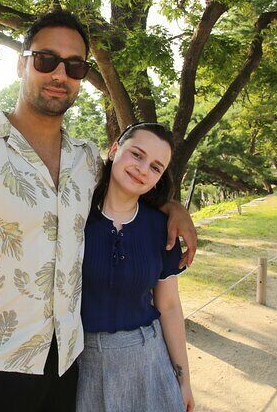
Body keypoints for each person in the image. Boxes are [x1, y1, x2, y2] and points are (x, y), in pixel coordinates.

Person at [0, 10, 197, 412]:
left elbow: (132, 183)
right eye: (46, 60)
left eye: (74, 65)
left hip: (68, 368)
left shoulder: (86, 161)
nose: (60, 74)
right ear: (21, 63)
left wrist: (173, 207)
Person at [77, 122, 194, 412]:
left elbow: (169, 306)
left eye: (156, 167)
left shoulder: (162, 228)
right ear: (114, 149)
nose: (143, 169)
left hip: (149, 360)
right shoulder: (75, 217)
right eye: (137, 155)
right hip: (83, 365)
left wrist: (184, 379)